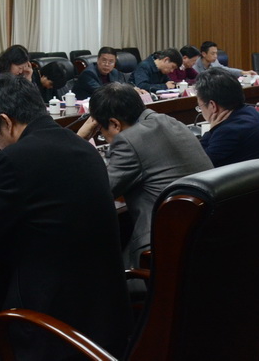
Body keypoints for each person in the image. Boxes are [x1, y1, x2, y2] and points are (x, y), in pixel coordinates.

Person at [0, 75, 132, 359]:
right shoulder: (82, 147)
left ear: (5, 122)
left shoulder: (16, 158)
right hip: (105, 319)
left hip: (51, 327)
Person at [78, 83, 212, 267]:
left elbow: (96, 194)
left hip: (164, 245)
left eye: (101, 130)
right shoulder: (170, 121)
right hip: (204, 233)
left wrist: (79, 140)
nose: (104, 137)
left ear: (115, 124)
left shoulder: (128, 140)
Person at [196, 69, 259, 167]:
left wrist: (211, 130)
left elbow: (199, 164)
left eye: (200, 107)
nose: (201, 110)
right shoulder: (249, 112)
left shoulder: (229, 129)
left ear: (213, 105)